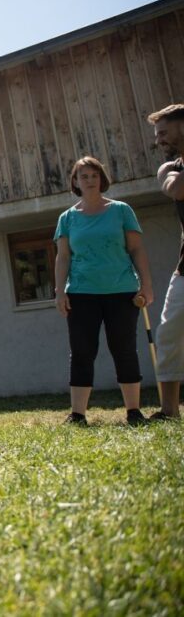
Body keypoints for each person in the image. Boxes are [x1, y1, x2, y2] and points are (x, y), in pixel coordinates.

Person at [54, 157, 154, 426]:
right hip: (81, 293)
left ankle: (133, 411)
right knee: (82, 350)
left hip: (122, 290)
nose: (89, 180)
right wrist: (59, 291)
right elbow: (63, 257)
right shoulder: (67, 218)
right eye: (83, 176)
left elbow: (136, 249)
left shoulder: (121, 210)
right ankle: (77, 415)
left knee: (124, 349)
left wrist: (146, 284)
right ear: (75, 182)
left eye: (94, 175)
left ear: (101, 179)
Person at [146, 105, 184, 420]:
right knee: (168, 333)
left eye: (163, 132)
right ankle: (169, 410)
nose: (158, 140)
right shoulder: (170, 168)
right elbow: (177, 188)